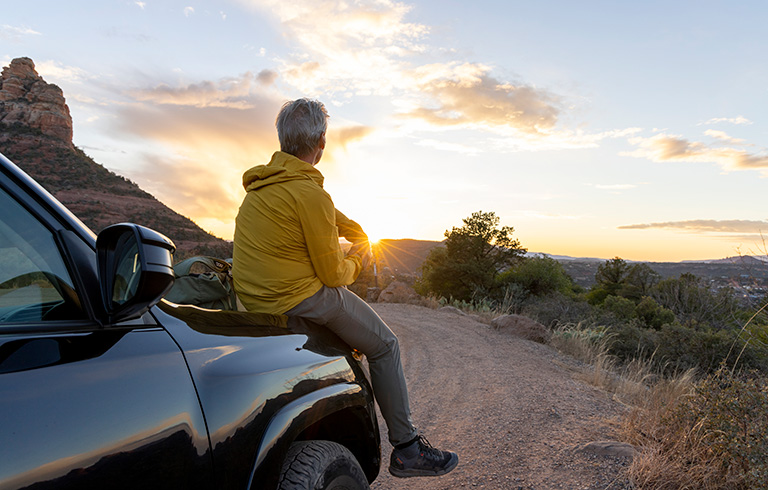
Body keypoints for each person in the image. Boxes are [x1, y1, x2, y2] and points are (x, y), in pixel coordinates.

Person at [232, 98, 458, 478]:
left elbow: (325, 214)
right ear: (321, 141)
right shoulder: (310, 192)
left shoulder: (263, 186)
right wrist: (359, 258)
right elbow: (334, 275)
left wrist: (354, 227)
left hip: (254, 298)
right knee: (386, 345)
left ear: (283, 139)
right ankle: (407, 450)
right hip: (298, 298)